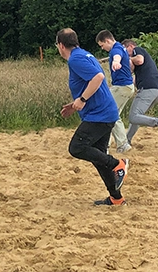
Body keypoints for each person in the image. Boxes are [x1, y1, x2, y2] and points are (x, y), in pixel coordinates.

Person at [57, 28, 130, 206]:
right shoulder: (84, 55)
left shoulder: (75, 59)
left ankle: (118, 164)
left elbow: (98, 77)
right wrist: (75, 104)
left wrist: (82, 99)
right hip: (104, 112)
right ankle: (116, 198)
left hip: (100, 115)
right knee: (98, 158)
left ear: (61, 45)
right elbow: (91, 84)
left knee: (77, 147)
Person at [121, 38, 158, 147]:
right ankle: (126, 141)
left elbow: (139, 60)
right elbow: (134, 79)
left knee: (133, 116)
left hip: (148, 89)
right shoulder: (141, 68)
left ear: (131, 46)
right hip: (157, 91)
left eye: (125, 49)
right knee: (138, 117)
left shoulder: (138, 50)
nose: (124, 52)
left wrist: (127, 58)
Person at [95, 30, 134, 153]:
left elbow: (117, 56)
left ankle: (115, 144)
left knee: (108, 112)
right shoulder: (121, 47)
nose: (102, 48)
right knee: (114, 115)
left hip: (122, 87)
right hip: (126, 87)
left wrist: (116, 62)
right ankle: (121, 144)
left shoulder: (116, 50)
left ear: (107, 41)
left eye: (102, 45)